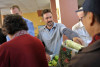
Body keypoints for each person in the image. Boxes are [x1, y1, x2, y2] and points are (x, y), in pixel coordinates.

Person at [69, 0, 100, 67]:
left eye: (83, 18)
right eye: (79, 19)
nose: (82, 22)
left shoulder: (79, 62)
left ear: (90, 17)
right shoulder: (75, 28)